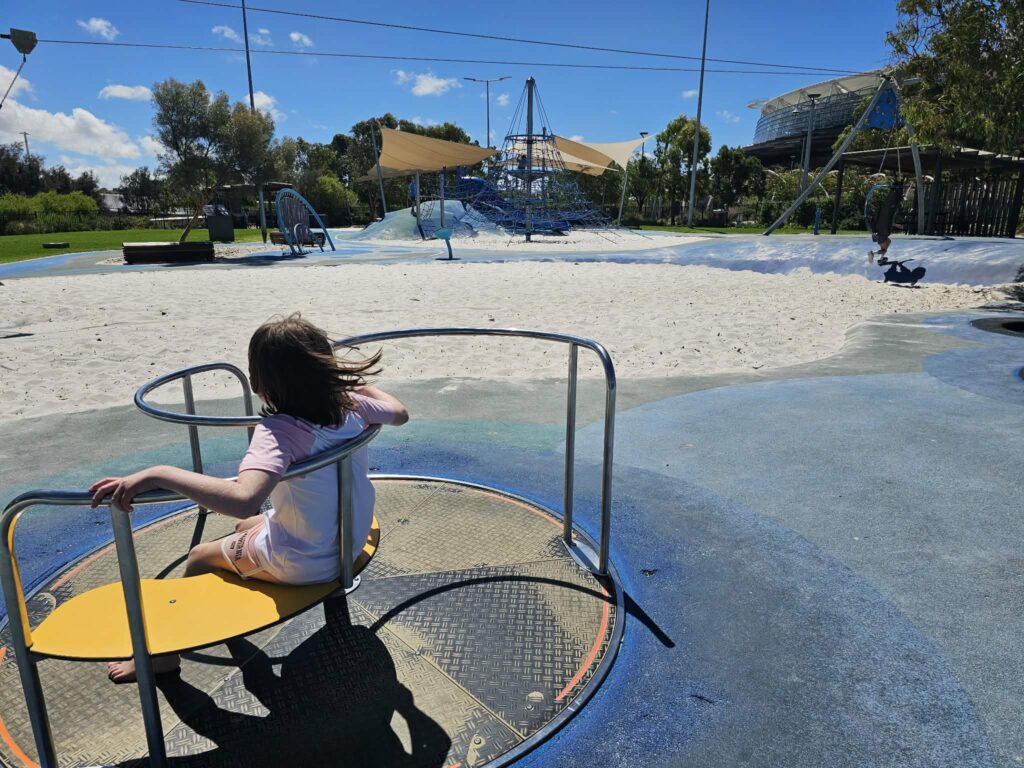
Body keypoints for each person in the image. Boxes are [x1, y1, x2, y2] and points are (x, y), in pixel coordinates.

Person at [90, 314, 409, 683]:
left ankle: (164, 656)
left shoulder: (279, 432)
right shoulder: (351, 405)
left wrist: (159, 474)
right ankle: (249, 569)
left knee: (198, 557)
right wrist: (355, 387)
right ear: (326, 367)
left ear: (263, 385)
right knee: (246, 526)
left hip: (308, 562)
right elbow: (399, 413)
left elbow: (244, 498)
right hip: (348, 542)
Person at [868, 179, 905, 264]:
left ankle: (881, 259)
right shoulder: (886, 210)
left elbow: (888, 220)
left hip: (879, 232)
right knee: (884, 248)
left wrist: (896, 225)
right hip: (880, 233)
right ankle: (872, 254)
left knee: (888, 242)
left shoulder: (884, 212)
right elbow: (887, 220)